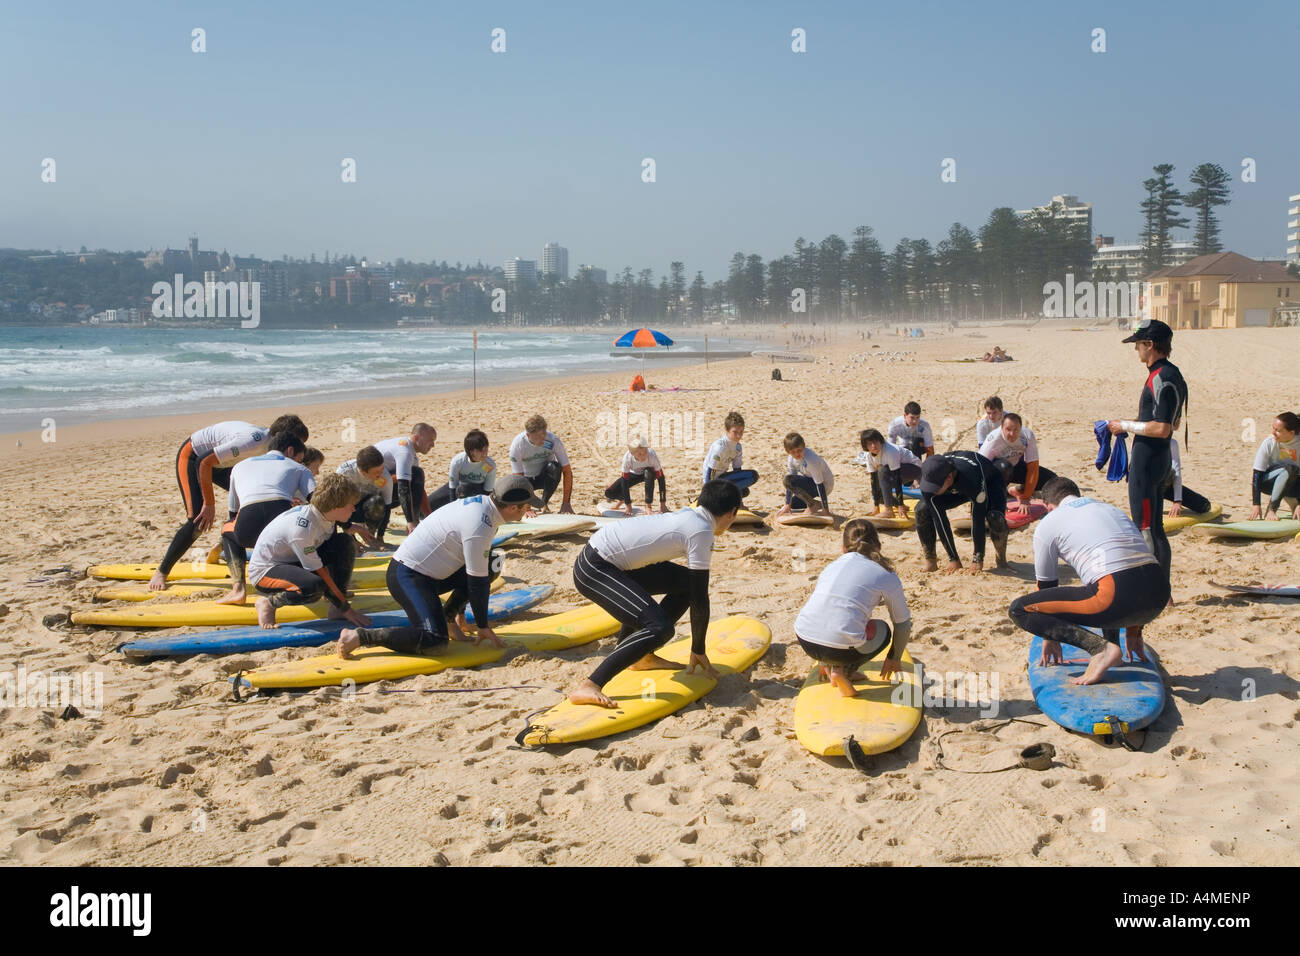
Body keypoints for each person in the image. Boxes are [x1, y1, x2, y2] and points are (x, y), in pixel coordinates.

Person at [566, 479, 741, 708]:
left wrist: (698, 646)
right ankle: (590, 685)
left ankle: (641, 656)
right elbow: (700, 598)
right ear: (732, 513)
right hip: (594, 569)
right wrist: (698, 649)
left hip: (614, 562)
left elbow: (695, 588)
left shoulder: (691, 516)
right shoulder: (701, 531)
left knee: (686, 584)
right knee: (660, 628)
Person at [337, 476, 538, 657]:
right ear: (513, 508)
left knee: (491, 563)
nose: (529, 510)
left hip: (432, 574)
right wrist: (483, 625)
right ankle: (361, 637)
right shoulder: (480, 524)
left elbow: (476, 568)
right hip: (407, 576)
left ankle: (448, 619)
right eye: (527, 506)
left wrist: (460, 613)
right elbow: (477, 583)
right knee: (435, 641)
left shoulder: (485, 506)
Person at [1008, 477, 1169, 686]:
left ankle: (1101, 649)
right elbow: (1133, 562)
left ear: (1049, 507)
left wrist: (1050, 634)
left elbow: (1046, 586)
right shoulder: (1110, 509)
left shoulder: (1050, 521)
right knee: (1099, 584)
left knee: (1020, 609)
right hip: (1158, 594)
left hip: (1117, 595)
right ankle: (1114, 648)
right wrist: (1134, 630)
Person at [150, 415, 308, 591]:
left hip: (221, 463)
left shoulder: (273, 450)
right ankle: (161, 572)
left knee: (251, 504)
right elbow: (204, 461)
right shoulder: (251, 442)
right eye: (296, 444)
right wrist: (209, 504)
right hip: (195, 458)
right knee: (198, 520)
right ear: (282, 438)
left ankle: (223, 544)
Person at [793, 519, 913, 697]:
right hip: (839, 646)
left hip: (805, 638)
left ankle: (826, 663)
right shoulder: (886, 574)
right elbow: (903, 624)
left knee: (839, 620)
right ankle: (842, 672)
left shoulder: (831, 566)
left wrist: (821, 659)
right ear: (878, 546)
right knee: (882, 630)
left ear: (843, 548)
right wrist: (894, 658)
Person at [1106, 319, 1186, 582]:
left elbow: (1163, 427)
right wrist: (1138, 426)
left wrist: (1124, 425)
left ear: (1150, 345)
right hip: (1159, 458)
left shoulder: (1160, 377)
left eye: (1138, 344)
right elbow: (1174, 423)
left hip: (1147, 460)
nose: (1135, 350)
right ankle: (1163, 588)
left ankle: (1154, 589)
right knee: (1155, 528)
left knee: (1145, 528)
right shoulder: (1174, 374)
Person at [246, 473, 371, 630]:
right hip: (266, 571)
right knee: (313, 587)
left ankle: (335, 609)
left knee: (345, 542)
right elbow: (322, 573)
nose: (354, 509)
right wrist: (347, 609)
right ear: (336, 506)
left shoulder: (325, 516)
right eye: (351, 505)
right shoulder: (302, 529)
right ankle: (268, 603)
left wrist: (339, 601)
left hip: (293, 560)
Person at [216, 431, 315, 605]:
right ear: (290, 451)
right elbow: (318, 504)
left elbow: (233, 511)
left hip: (248, 528)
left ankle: (238, 589)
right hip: (281, 529)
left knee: (227, 529)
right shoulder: (299, 468)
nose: (300, 462)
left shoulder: (239, 466)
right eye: (300, 458)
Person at [915, 452, 1009, 574]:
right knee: (921, 510)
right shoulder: (929, 476)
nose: (931, 490)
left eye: (935, 487)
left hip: (989, 482)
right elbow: (939, 518)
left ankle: (1001, 560)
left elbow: (978, 518)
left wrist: (977, 558)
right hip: (955, 487)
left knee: (995, 517)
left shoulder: (971, 476)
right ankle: (931, 560)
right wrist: (953, 558)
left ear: (949, 478)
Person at [978, 412, 1058, 514]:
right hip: (997, 471)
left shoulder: (1027, 435)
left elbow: (1033, 468)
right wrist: (981, 502)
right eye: (1008, 429)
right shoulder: (993, 440)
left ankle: (1018, 490)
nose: (1012, 434)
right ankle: (998, 496)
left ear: (1020, 428)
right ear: (1001, 427)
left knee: (1052, 480)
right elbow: (980, 471)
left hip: (1015, 467)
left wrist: (1025, 498)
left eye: (1016, 430)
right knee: (1004, 467)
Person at [375, 424, 438, 535]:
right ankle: (413, 523)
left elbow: (419, 489)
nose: (433, 445)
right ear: (416, 437)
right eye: (430, 440)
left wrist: (429, 517)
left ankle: (415, 521)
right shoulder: (404, 451)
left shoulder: (412, 455)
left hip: (383, 489)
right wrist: (411, 522)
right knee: (415, 475)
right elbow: (403, 488)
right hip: (370, 494)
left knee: (415, 476)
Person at [509, 415, 574, 514]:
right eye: (538, 436)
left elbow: (567, 470)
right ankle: (530, 505)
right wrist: (526, 507)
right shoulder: (518, 444)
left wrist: (566, 503)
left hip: (544, 476)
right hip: (526, 479)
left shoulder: (553, 440)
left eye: (544, 434)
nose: (543, 439)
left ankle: (543, 503)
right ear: (528, 435)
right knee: (516, 483)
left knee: (555, 467)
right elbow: (518, 478)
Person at [336, 446, 392, 547]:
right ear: (362, 471)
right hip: (345, 508)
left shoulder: (385, 476)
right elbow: (336, 505)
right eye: (376, 473)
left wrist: (380, 537)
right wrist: (350, 535)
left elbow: (387, 506)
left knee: (378, 501)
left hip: (368, 507)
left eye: (382, 469)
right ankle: (351, 538)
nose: (380, 474)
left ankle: (370, 536)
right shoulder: (345, 473)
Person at [1248, 412, 1300, 521]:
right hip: (1268, 482)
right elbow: (1257, 474)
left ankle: (1294, 504)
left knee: (1293, 471)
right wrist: (1256, 504)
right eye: (1273, 428)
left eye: (1278, 430)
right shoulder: (1269, 442)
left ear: (1291, 433)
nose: (1273, 433)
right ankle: (1271, 510)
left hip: (1293, 484)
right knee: (1291, 469)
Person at [429, 429, 497, 512]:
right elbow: (452, 487)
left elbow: (487, 491)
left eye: (486, 450)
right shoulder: (458, 461)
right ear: (472, 452)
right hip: (458, 488)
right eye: (482, 451)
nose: (485, 454)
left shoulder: (490, 465)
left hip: (478, 491)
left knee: (465, 489)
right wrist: (453, 509)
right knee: (428, 505)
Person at [859, 428, 921, 518]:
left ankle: (889, 510)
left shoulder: (890, 451)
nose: (873, 446)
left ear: (880, 441)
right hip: (894, 472)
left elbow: (897, 479)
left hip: (914, 469)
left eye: (875, 442)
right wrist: (876, 506)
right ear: (866, 446)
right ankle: (899, 505)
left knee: (883, 471)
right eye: (869, 444)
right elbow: (873, 481)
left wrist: (900, 505)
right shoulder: (869, 456)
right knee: (878, 489)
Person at [604, 436, 668, 515]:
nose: (643, 455)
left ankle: (648, 506)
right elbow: (625, 482)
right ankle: (623, 500)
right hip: (633, 474)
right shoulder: (627, 458)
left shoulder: (652, 456)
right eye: (640, 454)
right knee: (609, 492)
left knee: (648, 472)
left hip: (649, 474)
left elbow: (661, 479)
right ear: (632, 453)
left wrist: (663, 504)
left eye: (645, 452)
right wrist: (628, 505)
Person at [701, 411, 759, 496]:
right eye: (735, 432)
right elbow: (710, 472)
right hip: (713, 480)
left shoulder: (738, 447)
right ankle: (716, 496)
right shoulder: (720, 447)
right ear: (726, 430)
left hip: (723, 478)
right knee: (752, 475)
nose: (739, 435)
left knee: (744, 490)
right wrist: (707, 493)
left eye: (741, 432)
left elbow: (737, 470)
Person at [779, 432, 834, 517]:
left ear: (804, 446)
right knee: (794, 504)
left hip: (824, 485)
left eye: (799, 450)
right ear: (788, 452)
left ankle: (813, 505)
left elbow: (820, 484)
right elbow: (790, 482)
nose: (797, 454)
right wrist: (787, 504)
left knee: (787, 480)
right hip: (810, 482)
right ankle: (816, 503)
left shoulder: (811, 459)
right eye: (793, 452)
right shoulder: (791, 459)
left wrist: (825, 509)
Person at [1163, 437, 1211, 518]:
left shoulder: (1171, 443)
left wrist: (1177, 500)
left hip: (1163, 486)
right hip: (1145, 488)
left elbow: (1176, 471)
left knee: (1204, 506)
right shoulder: (1141, 441)